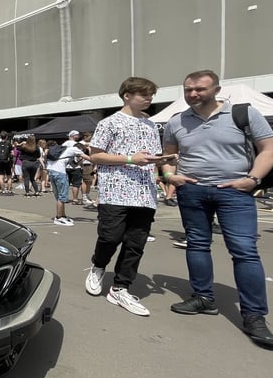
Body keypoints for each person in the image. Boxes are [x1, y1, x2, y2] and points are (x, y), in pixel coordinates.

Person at [162, 70, 273, 347]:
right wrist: (169, 175)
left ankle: (254, 315)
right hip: (192, 191)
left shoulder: (243, 114)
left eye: (199, 89)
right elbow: (169, 156)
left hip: (235, 192)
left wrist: (252, 179)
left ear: (216, 89)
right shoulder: (176, 121)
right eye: (188, 89)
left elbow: (268, 149)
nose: (193, 94)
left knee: (244, 251)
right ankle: (203, 298)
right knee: (197, 244)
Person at [84, 77, 171, 316]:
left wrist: (164, 165)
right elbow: (96, 156)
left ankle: (121, 287)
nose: (149, 99)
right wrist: (131, 159)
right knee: (110, 237)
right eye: (144, 95)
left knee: (136, 244)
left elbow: (151, 157)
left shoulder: (152, 125)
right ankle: (99, 265)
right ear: (127, 96)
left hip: (145, 194)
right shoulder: (109, 123)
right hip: (116, 191)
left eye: (151, 95)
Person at [45, 140, 84, 226]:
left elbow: (74, 165)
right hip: (60, 174)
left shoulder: (64, 152)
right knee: (62, 196)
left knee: (59, 195)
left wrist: (79, 161)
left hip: (52, 172)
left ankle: (62, 215)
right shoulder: (74, 149)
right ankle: (59, 218)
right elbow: (87, 157)